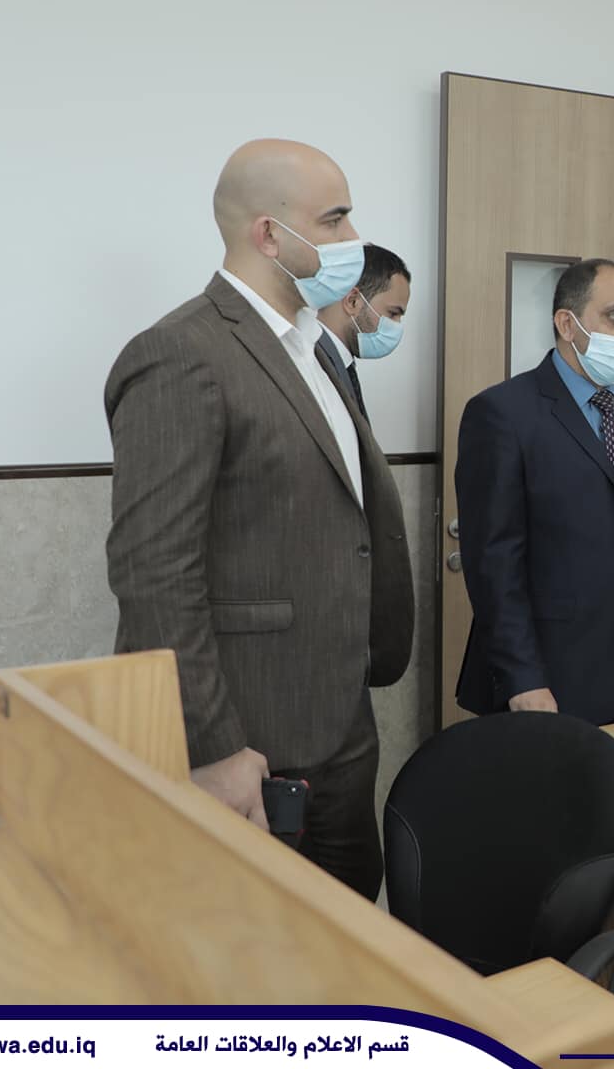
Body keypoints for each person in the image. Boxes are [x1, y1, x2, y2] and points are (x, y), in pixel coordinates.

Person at [105, 138, 413, 901]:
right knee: (262, 949)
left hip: (340, 721)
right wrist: (212, 747)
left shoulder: (314, 349)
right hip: (251, 739)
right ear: (269, 234)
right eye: (334, 220)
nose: (353, 240)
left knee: (347, 933)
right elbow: (153, 571)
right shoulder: (181, 354)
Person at [454, 257, 614, 724]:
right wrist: (522, 678)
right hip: (550, 676)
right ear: (567, 324)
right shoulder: (502, 414)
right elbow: (494, 564)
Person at [315, 244, 412, 421]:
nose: (397, 325)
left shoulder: (340, 364)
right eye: (393, 313)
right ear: (353, 301)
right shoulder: (314, 366)